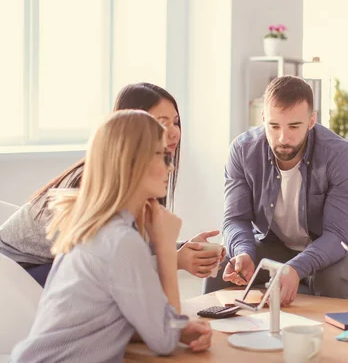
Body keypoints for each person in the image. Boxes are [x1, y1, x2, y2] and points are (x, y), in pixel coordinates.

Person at [11, 110, 213, 362]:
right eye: (161, 156)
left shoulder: (97, 228)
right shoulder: (121, 242)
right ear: (132, 163)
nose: (170, 166)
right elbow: (164, 342)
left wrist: (178, 328)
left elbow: (110, 321)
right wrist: (165, 249)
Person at [0, 83, 223, 286]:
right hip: (15, 275)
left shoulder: (141, 176)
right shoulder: (92, 182)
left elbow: (124, 246)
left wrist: (181, 249)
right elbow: (103, 266)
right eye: (161, 123)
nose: (174, 132)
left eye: (175, 122)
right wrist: (173, 260)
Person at [203, 75, 348, 305]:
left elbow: (336, 235)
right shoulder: (242, 151)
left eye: (294, 126)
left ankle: (329, 340)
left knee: (329, 280)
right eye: (274, 126)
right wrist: (243, 252)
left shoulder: (340, 156)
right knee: (225, 266)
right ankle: (216, 337)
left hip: (337, 246)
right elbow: (235, 218)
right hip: (277, 244)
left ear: (312, 121)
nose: (283, 138)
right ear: (263, 118)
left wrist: (295, 268)